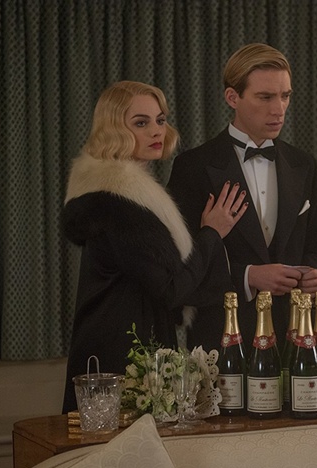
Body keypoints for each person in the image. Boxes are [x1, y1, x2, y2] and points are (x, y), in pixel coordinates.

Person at [61, 81, 248, 413]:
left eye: (160, 120)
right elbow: (171, 289)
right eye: (141, 122)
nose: (156, 130)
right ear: (114, 129)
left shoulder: (126, 196)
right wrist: (211, 233)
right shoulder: (118, 202)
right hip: (121, 356)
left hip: (129, 345)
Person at [169, 43, 317, 351]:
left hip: (294, 336)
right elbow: (182, 268)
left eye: (285, 96)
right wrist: (248, 277)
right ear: (233, 97)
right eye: (265, 97)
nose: (279, 109)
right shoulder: (193, 166)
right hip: (222, 339)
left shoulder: (304, 164)